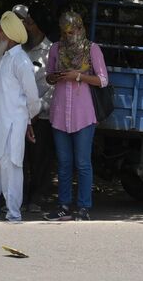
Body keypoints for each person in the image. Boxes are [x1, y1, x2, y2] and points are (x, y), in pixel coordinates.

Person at [0, 11, 41, 222]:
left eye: (0, 30)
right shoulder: (4, 58)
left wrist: (27, 120)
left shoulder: (21, 61)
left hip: (13, 122)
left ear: (10, 34)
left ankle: (13, 212)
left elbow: (32, 98)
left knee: (11, 165)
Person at [44, 11, 109, 221]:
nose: (70, 35)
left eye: (73, 30)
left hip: (84, 115)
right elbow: (48, 76)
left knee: (82, 163)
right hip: (60, 113)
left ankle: (83, 207)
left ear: (81, 29)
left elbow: (103, 80)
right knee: (63, 163)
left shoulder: (92, 49)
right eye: (66, 31)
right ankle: (63, 205)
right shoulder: (55, 48)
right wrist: (54, 77)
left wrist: (78, 76)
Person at [14, 5, 56, 213]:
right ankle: (18, 197)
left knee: (39, 158)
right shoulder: (17, 49)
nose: (25, 27)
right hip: (18, 113)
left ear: (40, 27)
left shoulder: (52, 52)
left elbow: (54, 86)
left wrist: (39, 110)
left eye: (29, 23)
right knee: (17, 158)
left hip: (41, 115)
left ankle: (37, 197)